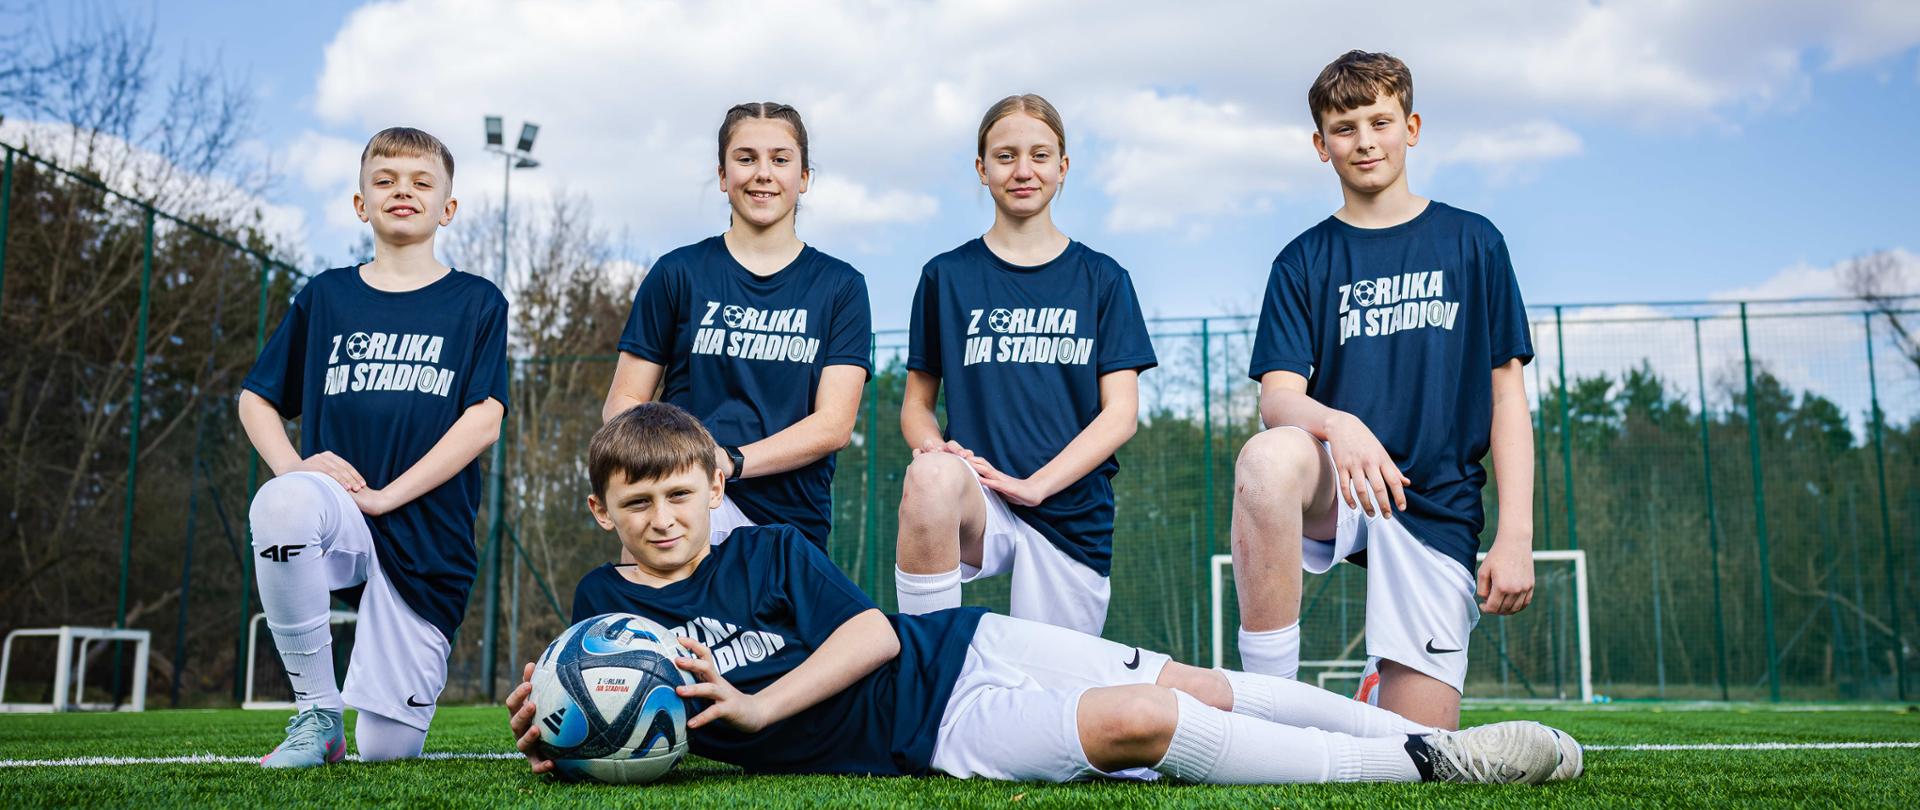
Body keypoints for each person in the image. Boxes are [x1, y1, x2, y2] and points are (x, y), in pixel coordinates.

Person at [504, 403, 1581, 786]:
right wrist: (553, 732)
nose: (660, 515)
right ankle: (1419, 772)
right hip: (934, 731)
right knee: (1143, 722)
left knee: (1196, 682)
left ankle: (1427, 741)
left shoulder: (769, 551)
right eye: (636, 499)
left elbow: (877, 635)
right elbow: (607, 702)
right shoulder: (609, 605)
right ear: (601, 510)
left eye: (679, 492)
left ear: (714, 487)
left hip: (960, 649)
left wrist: (757, 707)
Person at [1229, 50, 1539, 734]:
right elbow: (1279, 399)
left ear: (1412, 127)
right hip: (1339, 481)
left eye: (1380, 121)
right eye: (1344, 127)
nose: (1364, 140)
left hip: (1434, 500)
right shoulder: (1303, 260)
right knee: (1266, 459)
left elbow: (1506, 396)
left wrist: (1516, 534)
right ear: (1320, 145)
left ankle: (1379, 694)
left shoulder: (1473, 242)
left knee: (1415, 752)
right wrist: (1341, 425)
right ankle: (1267, 707)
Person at [237, 127, 509, 766]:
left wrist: (388, 497)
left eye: (421, 182)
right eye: (384, 181)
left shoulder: (477, 302)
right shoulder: (327, 296)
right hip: (340, 516)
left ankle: (370, 718)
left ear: (448, 208)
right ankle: (316, 714)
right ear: (361, 204)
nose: (402, 192)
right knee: (282, 505)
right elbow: (257, 399)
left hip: (428, 538)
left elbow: (484, 419)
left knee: (388, 750)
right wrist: (295, 471)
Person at [894, 94, 1155, 635]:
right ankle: (926, 679)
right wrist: (935, 450)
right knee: (929, 478)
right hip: (982, 495)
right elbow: (917, 405)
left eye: (1039, 155)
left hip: (1068, 509)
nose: (1023, 170)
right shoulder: (946, 277)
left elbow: (1120, 415)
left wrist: (1037, 485)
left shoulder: (1103, 278)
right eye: (1006, 155)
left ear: (1062, 167)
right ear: (982, 169)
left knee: (1056, 696)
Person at [603, 102, 870, 553]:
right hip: (691, 507)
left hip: (793, 525)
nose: (762, 173)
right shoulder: (678, 273)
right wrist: (677, 467)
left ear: (803, 178)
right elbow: (623, 402)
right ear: (724, 176)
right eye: (746, 158)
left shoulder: (840, 285)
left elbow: (834, 424)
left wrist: (731, 461)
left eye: (780, 159)